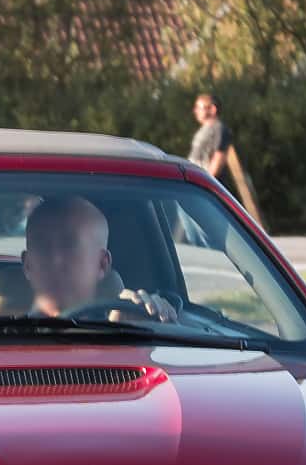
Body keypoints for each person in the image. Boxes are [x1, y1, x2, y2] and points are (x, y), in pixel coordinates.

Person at [16, 195, 175, 321]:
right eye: (42, 246)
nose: (55, 259)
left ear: (102, 264)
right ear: (27, 265)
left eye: (69, 246)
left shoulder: (125, 327)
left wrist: (146, 326)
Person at [188, 92, 232, 181]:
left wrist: (205, 182)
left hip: (204, 185)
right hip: (195, 182)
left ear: (212, 109)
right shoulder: (203, 129)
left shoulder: (219, 129)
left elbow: (218, 160)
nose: (195, 111)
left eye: (199, 107)